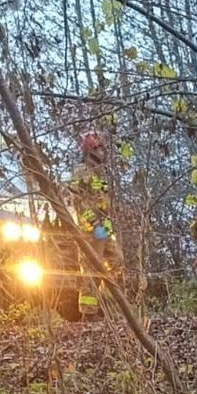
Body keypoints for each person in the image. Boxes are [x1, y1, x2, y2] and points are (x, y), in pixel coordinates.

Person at [71, 132, 124, 316]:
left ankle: (107, 305)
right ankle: (89, 313)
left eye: (102, 147)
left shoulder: (100, 174)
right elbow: (78, 201)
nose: (102, 151)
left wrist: (107, 225)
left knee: (116, 261)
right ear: (89, 151)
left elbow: (104, 202)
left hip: (103, 229)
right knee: (90, 269)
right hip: (90, 231)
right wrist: (93, 224)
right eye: (98, 148)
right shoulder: (81, 171)